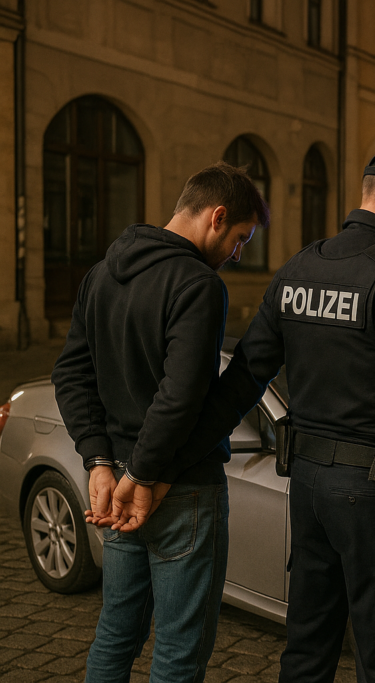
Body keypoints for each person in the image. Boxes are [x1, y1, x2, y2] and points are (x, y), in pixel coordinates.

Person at [182, 146, 375, 683]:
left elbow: (245, 376)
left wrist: (178, 457)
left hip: (307, 488)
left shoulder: (299, 267)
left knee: (307, 652)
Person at [51, 161, 268, 682]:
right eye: (241, 238)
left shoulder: (101, 273)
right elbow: (180, 397)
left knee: (115, 633)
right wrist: (143, 477)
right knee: (178, 651)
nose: (238, 254)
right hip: (179, 490)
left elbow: (69, 374)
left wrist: (101, 462)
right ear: (216, 217)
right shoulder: (197, 285)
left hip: (118, 485)